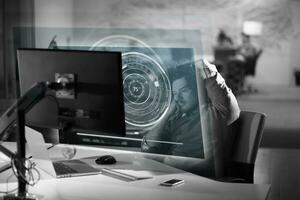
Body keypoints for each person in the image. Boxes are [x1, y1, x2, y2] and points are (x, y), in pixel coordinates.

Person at [141, 59, 240, 178]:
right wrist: (168, 112)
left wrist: (198, 64)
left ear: (197, 91)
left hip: (200, 182)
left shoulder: (217, 112)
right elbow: (149, 148)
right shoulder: (174, 118)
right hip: (167, 176)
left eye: (184, 91)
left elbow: (211, 76)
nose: (178, 98)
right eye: (175, 93)